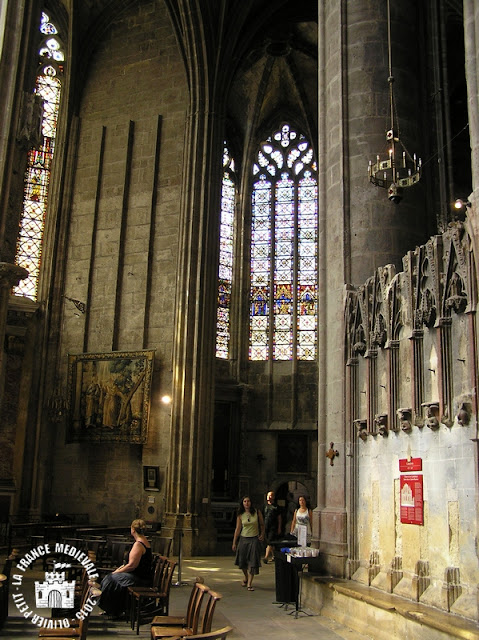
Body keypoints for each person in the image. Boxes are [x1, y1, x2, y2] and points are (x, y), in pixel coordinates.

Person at [99, 519, 153, 617]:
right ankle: (114, 609)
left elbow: (132, 566)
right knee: (111, 578)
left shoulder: (138, 544)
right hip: (139, 575)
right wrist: (119, 570)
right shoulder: (143, 541)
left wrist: (117, 572)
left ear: (132, 530)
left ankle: (112, 610)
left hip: (139, 579)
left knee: (110, 579)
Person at [232, 496, 265, 591]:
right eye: (245, 501)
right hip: (243, 539)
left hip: (254, 539)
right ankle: (246, 577)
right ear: (242, 503)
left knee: (253, 561)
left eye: (248, 501)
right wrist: (234, 542)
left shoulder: (257, 512)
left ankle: (249, 583)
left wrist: (262, 534)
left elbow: (262, 524)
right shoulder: (240, 514)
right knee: (242, 561)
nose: (247, 503)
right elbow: (238, 529)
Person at [262, 490, 282, 563]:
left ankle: (266, 557)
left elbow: (279, 518)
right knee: (271, 542)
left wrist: (279, 527)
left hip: (273, 527)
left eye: (271, 495)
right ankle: (274, 556)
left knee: (270, 542)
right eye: (268, 495)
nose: (269, 497)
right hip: (266, 526)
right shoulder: (265, 506)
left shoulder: (276, 507)